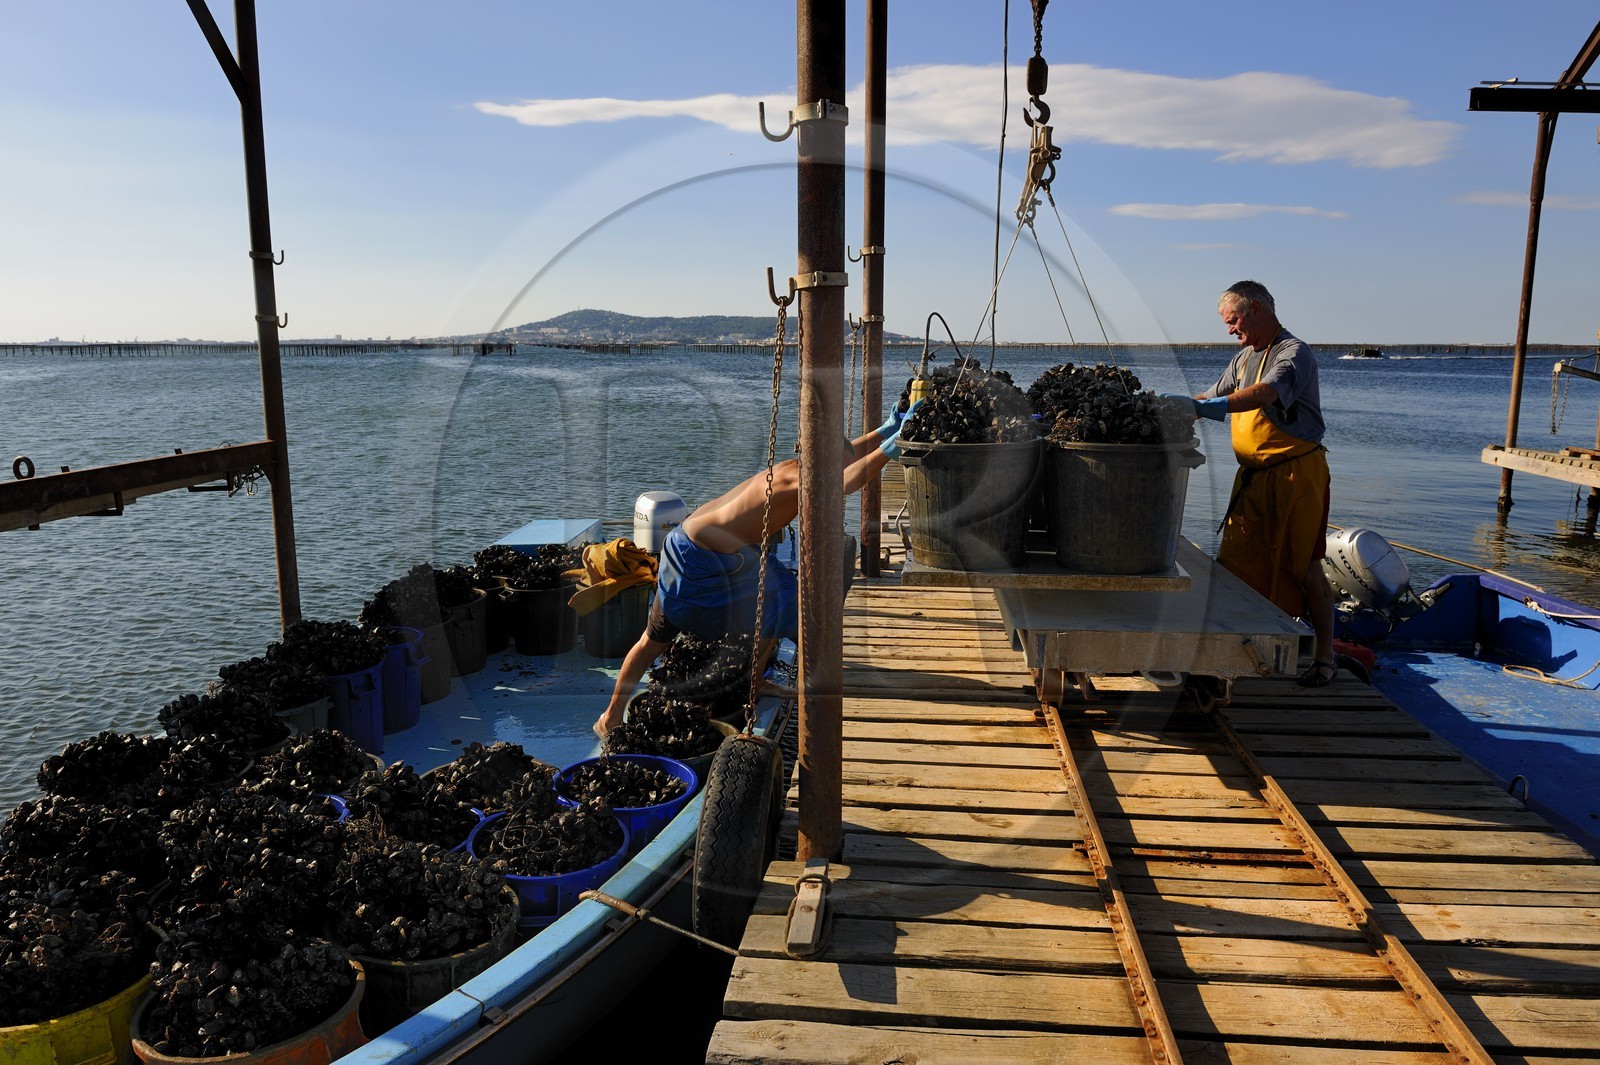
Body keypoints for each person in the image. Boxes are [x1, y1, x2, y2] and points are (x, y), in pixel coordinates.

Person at [593, 402, 920, 736]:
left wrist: (889, 429)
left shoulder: (799, 466)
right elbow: (847, 480)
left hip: (722, 551)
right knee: (655, 640)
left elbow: (848, 459)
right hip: (694, 558)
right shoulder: (796, 481)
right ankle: (611, 715)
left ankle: (756, 678)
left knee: (783, 598)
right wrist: (893, 448)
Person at [1162, 280, 1337, 687]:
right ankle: (1232, 657)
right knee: (1236, 563)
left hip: (1297, 477)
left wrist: (1206, 406)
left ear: (1257, 308)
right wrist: (1178, 410)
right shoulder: (1242, 359)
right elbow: (1213, 395)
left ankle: (1324, 657)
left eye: (1234, 320)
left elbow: (1266, 393)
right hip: (1254, 480)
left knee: (1306, 566)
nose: (1230, 329)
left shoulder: (1294, 354)